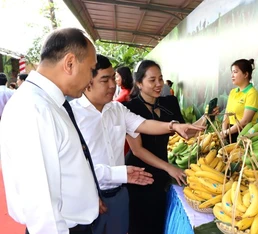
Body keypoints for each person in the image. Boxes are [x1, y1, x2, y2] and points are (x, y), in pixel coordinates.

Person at [69, 55, 203, 234]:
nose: (112, 85)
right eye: (105, 79)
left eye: (113, 78)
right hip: (90, 196)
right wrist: (92, 191)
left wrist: (174, 126)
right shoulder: (72, 115)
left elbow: (145, 125)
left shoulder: (117, 109)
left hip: (119, 192)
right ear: (88, 81)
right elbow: (71, 166)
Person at [1, 28, 102, 234]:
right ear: (70, 63)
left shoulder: (50, 102)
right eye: (91, 69)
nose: (91, 78)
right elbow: (42, 206)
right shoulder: (35, 108)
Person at [124, 60, 213, 234]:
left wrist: (206, 119)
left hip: (161, 174)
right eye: (152, 80)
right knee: (140, 225)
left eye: (160, 78)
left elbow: (185, 131)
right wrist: (169, 168)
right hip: (139, 174)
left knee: (157, 221)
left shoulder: (169, 102)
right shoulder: (129, 108)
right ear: (139, 83)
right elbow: (137, 150)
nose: (158, 84)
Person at [221, 59, 258, 142]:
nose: (232, 75)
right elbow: (226, 115)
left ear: (246, 74)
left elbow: (245, 121)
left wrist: (226, 132)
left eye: (235, 72)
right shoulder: (233, 92)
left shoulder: (252, 93)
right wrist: (224, 131)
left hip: (244, 133)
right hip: (229, 132)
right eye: (231, 72)